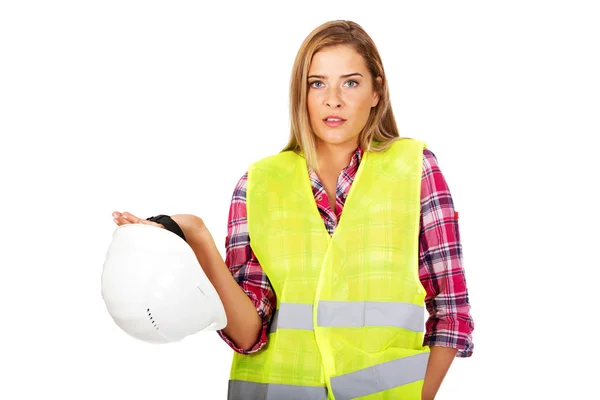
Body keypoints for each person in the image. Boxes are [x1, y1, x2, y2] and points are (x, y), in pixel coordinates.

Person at [112, 19, 474, 400]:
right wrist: (197, 236)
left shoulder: (416, 169)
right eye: (316, 83)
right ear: (300, 94)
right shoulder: (257, 184)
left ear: (376, 91)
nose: (333, 99)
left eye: (350, 82)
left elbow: (451, 312)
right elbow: (248, 334)